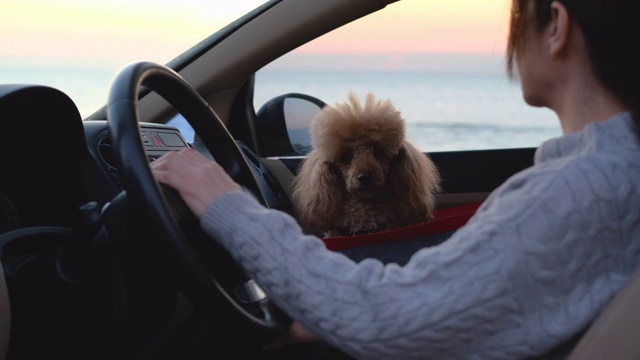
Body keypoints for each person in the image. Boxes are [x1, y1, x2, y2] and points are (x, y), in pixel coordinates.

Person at [150, 0, 640, 358]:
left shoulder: (586, 187)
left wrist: (225, 202)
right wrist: (318, 309)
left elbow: (384, 315)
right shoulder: (604, 173)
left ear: (555, 24)